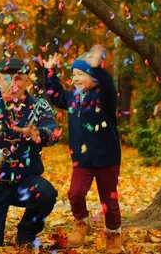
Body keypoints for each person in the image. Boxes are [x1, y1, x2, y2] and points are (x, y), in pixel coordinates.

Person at [0, 56, 60, 252]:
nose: (13, 84)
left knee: (46, 193)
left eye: (18, 78)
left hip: (23, 182)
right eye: (7, 78)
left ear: (27, 81)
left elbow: (53, 132)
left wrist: (40, 134)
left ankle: (26, 233)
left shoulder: (39, 106)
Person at [43, 45, 122, 254]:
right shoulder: (73, 98)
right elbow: (55, 94)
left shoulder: (104, 98)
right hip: (82, 160)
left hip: (107, 158)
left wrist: (98, 69)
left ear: (94, 77)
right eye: (73, 74)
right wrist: (50, 72)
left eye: (81, 73)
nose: (75, 78)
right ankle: (81, 222)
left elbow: (108, 86)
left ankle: (113, 234)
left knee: (109, 200)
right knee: (75, 193)